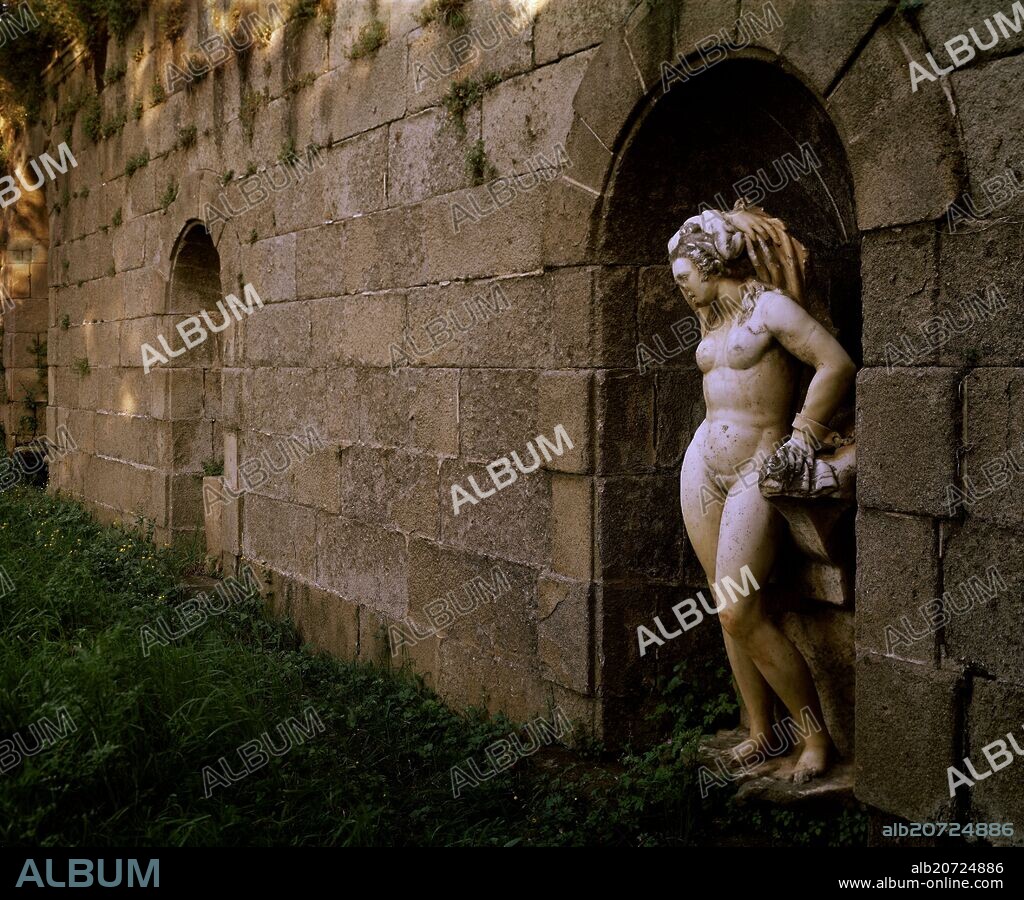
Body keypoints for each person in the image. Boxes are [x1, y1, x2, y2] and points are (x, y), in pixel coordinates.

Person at [671, 204, 856, 782]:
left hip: (757, 464)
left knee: (738, 609)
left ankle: (815, 738)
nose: (681, 289)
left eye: (684, 276)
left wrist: (803, 438)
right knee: (722, 604)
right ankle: (759, 731)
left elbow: (835, 364)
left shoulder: (769, 308)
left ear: (710, 264)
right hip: (703, 463)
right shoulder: (711, 318)